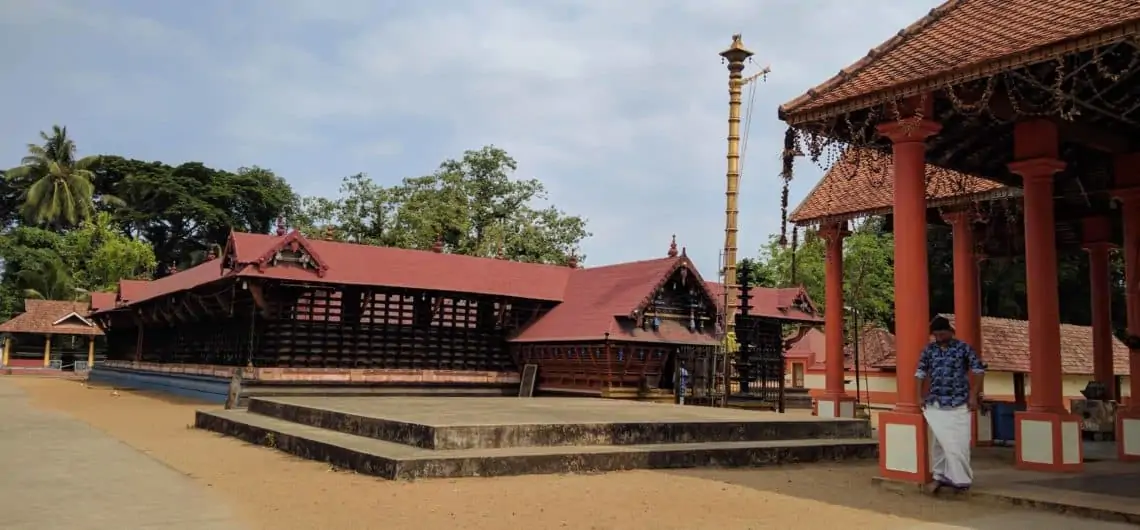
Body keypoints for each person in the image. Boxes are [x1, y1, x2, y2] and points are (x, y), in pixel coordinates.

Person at [916, 316, 985, 492]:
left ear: (950, 332)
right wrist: (919, 396)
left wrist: (974, 395)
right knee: (939, 443)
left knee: (958, 444)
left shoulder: (963, 348)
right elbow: (920, 373)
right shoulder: (929, 350)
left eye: (942, 334)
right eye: (936, 335)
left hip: (959, 402)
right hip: (936, 403)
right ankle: (939, 476)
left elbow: (978, 370)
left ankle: (961, 480)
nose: (939, 337)